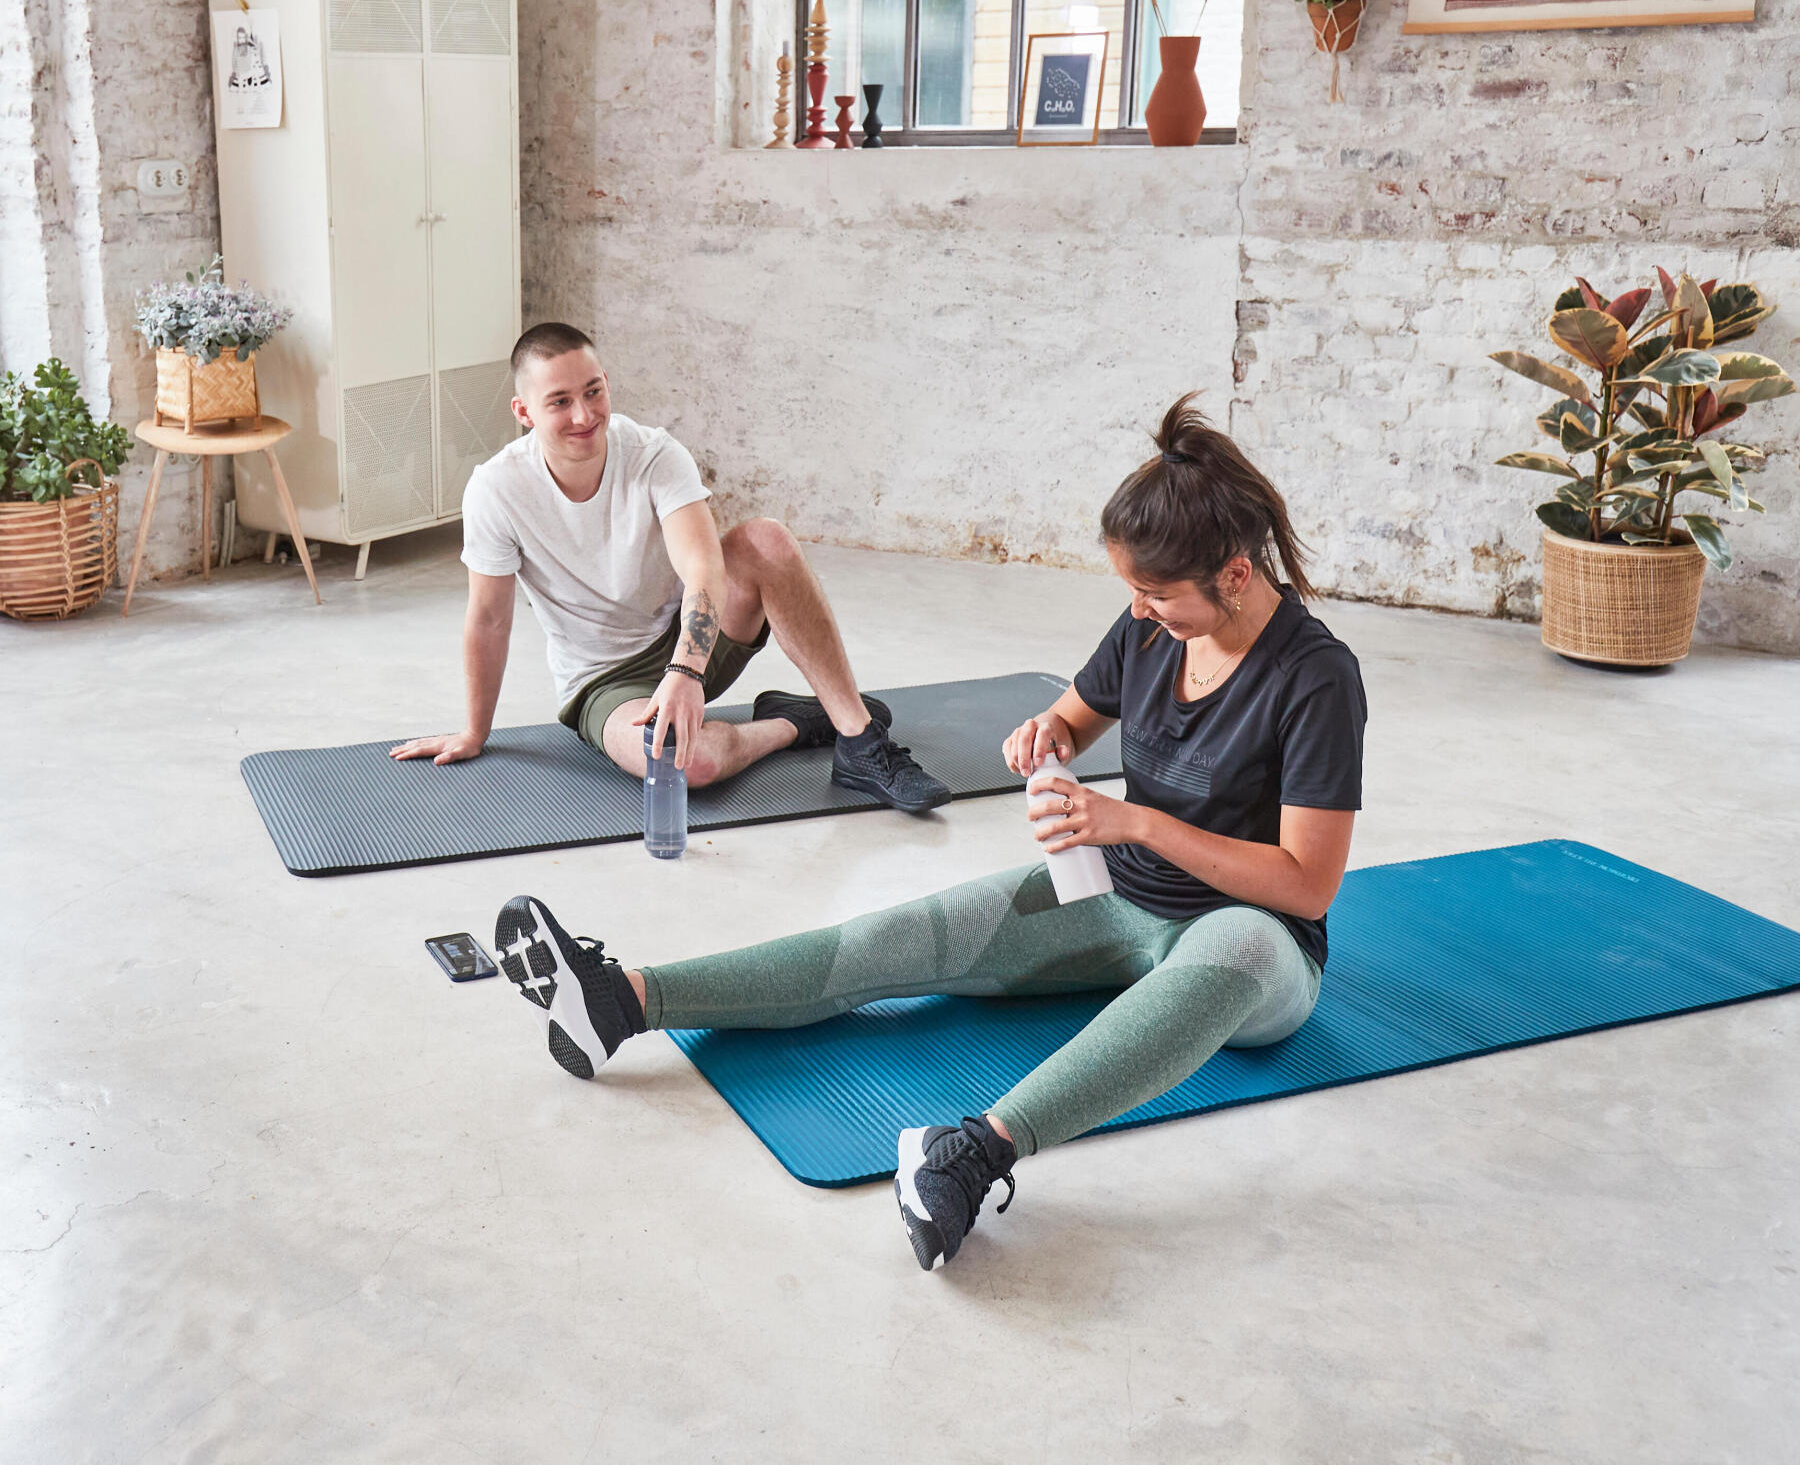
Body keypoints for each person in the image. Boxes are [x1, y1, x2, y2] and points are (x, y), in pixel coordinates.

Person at [491, 394, 1367, 1269]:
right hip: (1116, 900)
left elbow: (1305, 884)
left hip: (1254, 942)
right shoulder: (1148, 633)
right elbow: (1070, 717)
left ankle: (974, 1155)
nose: (1139, 612)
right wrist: (1046, 738)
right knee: (897, 937)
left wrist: (1137, 820)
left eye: (1158, 595)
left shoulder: (1315, 678)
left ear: (1238, 577)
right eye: (1132, 593)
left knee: (1240, 953)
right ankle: (623, 1001)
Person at [392, 322, 949, 813]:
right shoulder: (497, 489)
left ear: (607, 382)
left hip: (692, 642)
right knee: (688, 765)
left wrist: (684, 671)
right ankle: (790, 724)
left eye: (593, 391)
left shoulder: (655, 454)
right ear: (524, 412)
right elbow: (488, 618)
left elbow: (704, 568)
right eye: (559, 401)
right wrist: (474, 731)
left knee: (765, 540)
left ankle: (859, 741)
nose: (584, 415)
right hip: (604, 682)